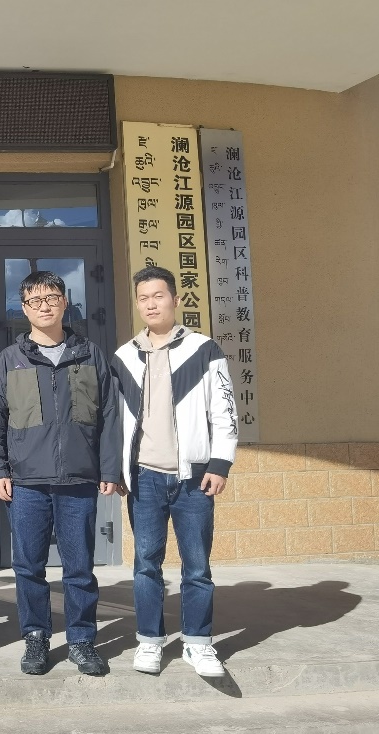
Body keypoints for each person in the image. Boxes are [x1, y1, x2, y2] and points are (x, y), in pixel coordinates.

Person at [0, 271, 121, 677]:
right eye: (35, 300)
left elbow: (109, 415)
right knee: (29, 566)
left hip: (79, 478)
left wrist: (109, 467)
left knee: (79, 567)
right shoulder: (10, 360)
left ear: (65, 302)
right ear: (24, 309)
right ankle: (36, 636)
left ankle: (81, 640)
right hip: (27, 481)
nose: (44, 306)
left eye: (51, 298)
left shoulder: (89, 355)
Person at [113, 266, 238, 678]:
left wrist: (220, 463)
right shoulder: (124, 357)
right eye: (143, 298)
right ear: (137, 304)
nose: (151, 304)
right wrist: (116, 470)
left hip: (194, 479)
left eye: (158, 296)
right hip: (144, 478)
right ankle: (149, 641)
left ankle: (198, 644)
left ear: (175, 299)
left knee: (197, 567)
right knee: (146, 564)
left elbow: (224, 410)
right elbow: (113, 421)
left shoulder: (204, 350)